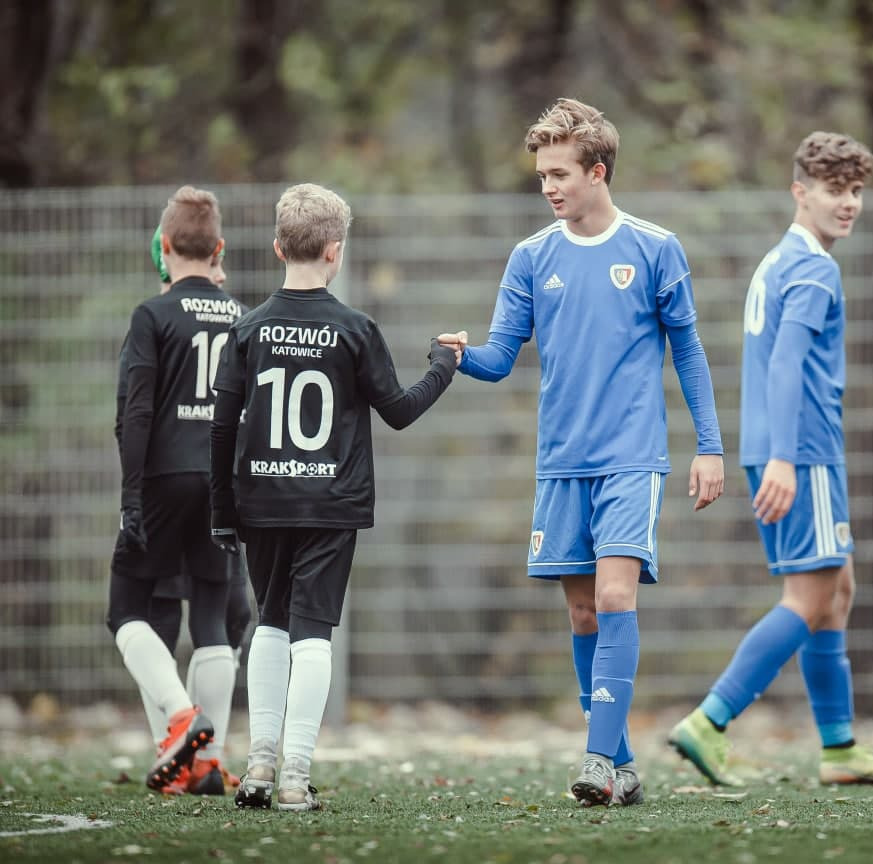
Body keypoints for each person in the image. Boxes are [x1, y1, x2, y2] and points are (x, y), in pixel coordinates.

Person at [435, 97, 725, 808]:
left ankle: (595, 759)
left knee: (616, 595)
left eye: (560, 173)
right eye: (542, 175)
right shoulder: (531, 257)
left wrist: (710, 447)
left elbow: (689, 352)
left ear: (598, 171)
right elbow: (501, 358)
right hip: (562, 463)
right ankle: (622, 766)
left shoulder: (655, 248)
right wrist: (459, 356)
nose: (548, 187)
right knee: (583, 615)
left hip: (631, 457)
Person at [210, 182, 459, 812]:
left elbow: (221, 426)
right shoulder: (355, 329)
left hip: (261, 499)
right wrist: (442, 365)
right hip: (329, 503)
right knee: (313, 633)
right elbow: (399, 411)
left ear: (277, 247)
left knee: (270, 621)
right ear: (334, 251)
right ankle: (295, 775)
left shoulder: (248, 329)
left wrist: (222, 511)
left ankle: (259, 766)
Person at [667, 131, 873, 787]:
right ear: (800, 192)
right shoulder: (815, 268)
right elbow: (787, 364)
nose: (848, 203)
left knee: (838, 590)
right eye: (834, 189)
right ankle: (710, 720)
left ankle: (840, 749)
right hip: (802, 452)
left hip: (782, 449)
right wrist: (787, 461)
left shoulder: (778, 261)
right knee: (810, 595)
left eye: (856, 190)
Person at [108, 186, 242, 792]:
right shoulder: (240, 316)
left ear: (163, 246)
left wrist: (131, 497)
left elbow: (136, 413)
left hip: (164, 478)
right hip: (221, 481)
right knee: (212, 616)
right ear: (218, 249)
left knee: (126, 610)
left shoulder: (152, 316)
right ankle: (206, 763)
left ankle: (182, 721)